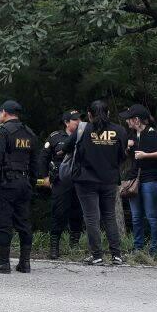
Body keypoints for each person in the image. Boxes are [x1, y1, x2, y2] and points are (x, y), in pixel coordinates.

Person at [0, 100, 39, 273]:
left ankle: (3, 262)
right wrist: (31, 183)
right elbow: (35, 162)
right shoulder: (29, 133)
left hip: (5, 184)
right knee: (24, 222)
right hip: (24, 184)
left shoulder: (2, 132)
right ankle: (25, 263)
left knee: (3, 222)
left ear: (4, 112)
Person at [66, 100, 129, 265]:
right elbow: (123, 156)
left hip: (86, 180)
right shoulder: (120, 130)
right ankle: (117, 255)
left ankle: (97, 255)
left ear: (89, 114)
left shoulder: (83, 129)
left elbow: (66, 147)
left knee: (91, 217)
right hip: (109, 179)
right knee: (109, 216)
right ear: (108, 114)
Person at [120, 104, 157, 255]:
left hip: (150, 179)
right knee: (135, 216)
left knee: (151, 215)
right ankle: (137, 247)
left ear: (136, 120)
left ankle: (155, 248)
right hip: (133, 179)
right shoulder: (130, 135)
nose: (126, 122)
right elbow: (122, 156)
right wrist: (126, 148)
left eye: (128, 119)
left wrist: (146, 155)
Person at [38, 110, 84, 259]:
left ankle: (74, 246)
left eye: (80, 119)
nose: (78, 122)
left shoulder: (85, 136)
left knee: (78, 213)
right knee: (59, 213)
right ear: (66, 122)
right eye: (75, 119)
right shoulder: (55, 137)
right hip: (61, 180)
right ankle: (54, 246)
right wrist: (45, 177)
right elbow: (43, 158)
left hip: (80, 180)